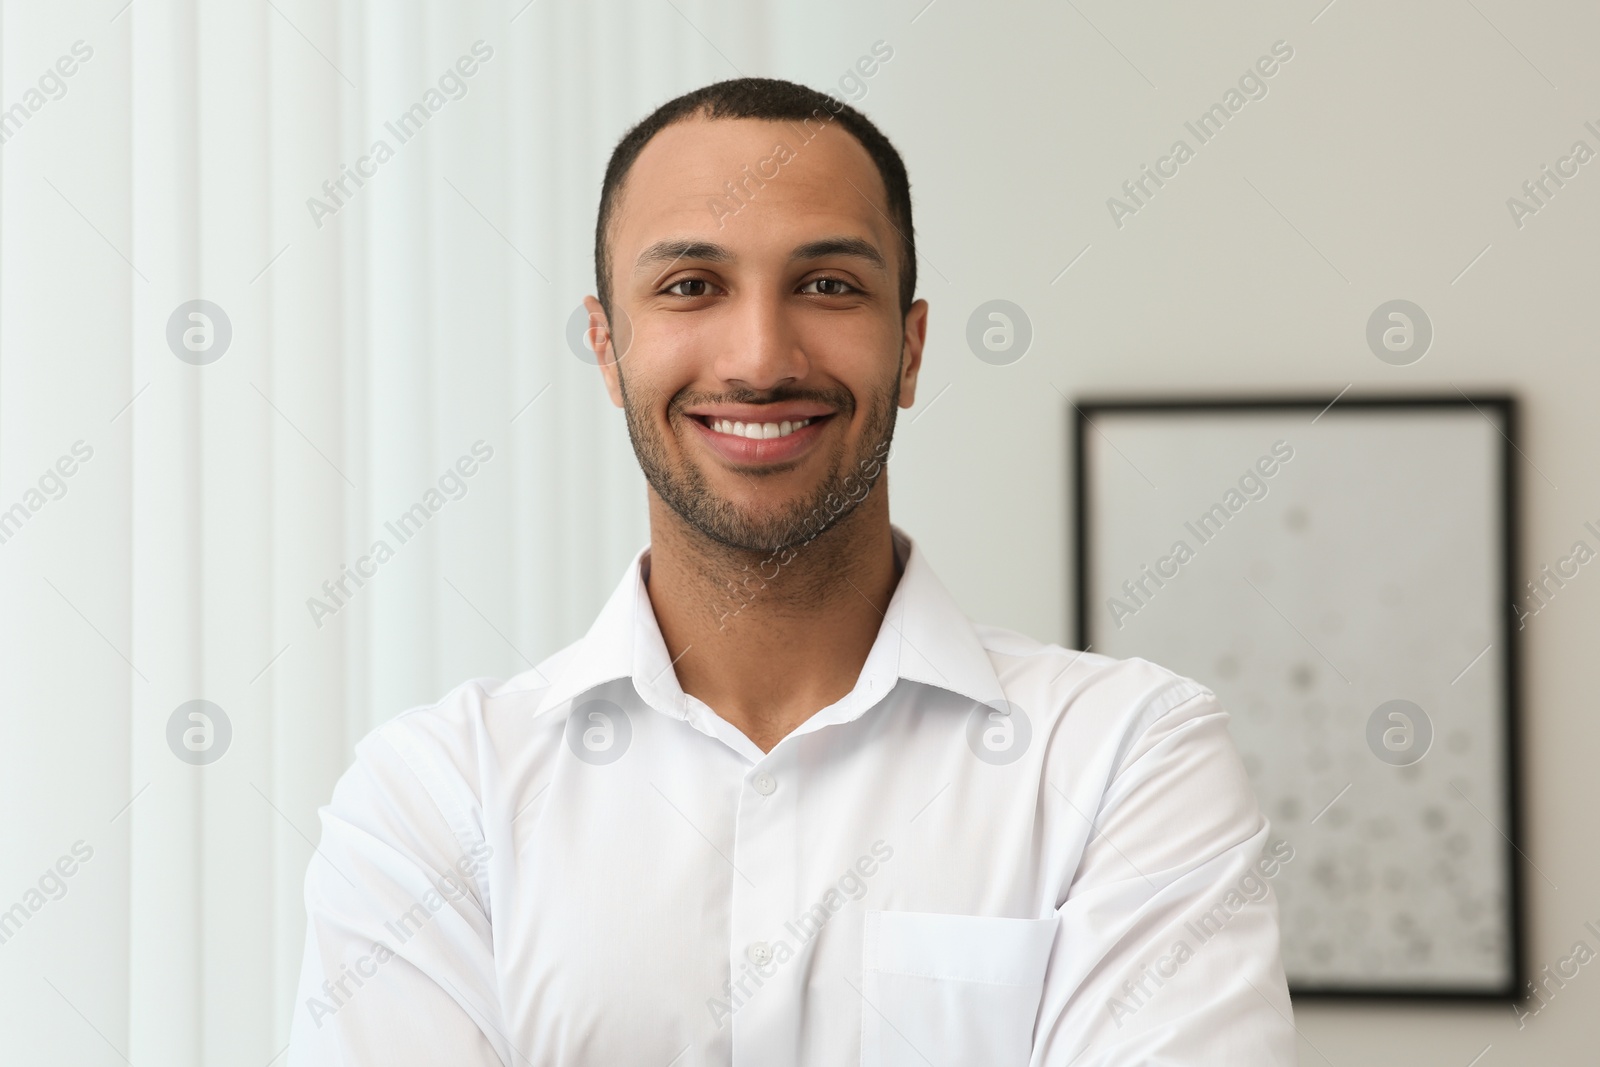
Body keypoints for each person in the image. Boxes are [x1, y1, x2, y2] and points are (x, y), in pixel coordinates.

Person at [288, 76, 1297, 1065]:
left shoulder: (1124, 760)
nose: (760, 357)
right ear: (607, 347)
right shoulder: (436, 795)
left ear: (908, 346)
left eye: (828, 285)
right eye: (691, 285)